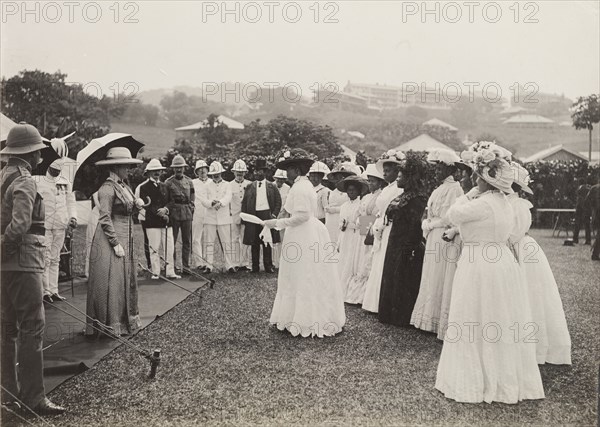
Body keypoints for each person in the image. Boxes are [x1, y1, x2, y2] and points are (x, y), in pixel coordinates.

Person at [435, 142, 544, 404]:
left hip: (479, 263)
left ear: (485, 180)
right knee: (498, 317)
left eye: (476, 175)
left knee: (474, 316)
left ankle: (477, 381)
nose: (472, 179)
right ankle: (500, 377)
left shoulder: (481, 203)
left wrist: (469, 193)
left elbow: (452, 213)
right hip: (500, 262)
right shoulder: (504, 202)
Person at [1, 123, 66, 415]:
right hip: (24, 264)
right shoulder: (25, 180)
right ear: (30, 153)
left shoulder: (3, 176)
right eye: (39, 150)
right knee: (32, 329)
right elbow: (20, 225)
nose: (42, 155)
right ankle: (34, 399)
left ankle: (7, 396)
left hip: (5, 267)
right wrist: (5, 246)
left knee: (7, 331)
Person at [264, 149, 346, 337]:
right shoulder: (301, 186)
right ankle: (293, 315)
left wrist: (277, 223)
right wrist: (275, 220)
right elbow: (288, 209)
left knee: (304, 274)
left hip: (303, 233)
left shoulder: (301, 187)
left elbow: (301, 216)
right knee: (298, 273)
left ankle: (306, 319)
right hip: (303, 231)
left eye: (290, 169)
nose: (287, 173)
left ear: (297, 170)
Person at [509, 163, 571, 364]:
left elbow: (513, 234)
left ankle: (533, 345)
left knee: (529, 293)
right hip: (513, 247)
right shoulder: (505, 203)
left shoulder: (519, 206)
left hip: (520, 249)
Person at [86, 147, 144, 338]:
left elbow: (128, 209)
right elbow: (104, 218)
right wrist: (115, 242)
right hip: (112, 238)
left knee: (127, 279)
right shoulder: (107, 188)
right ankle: (111, 324)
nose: (128, 170)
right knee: (114, 281)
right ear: (116, 167)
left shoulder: (124, 186)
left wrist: (137, 205)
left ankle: (128, 321)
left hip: (127, 236)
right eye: (126, 167)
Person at [410, 149, 464, 334]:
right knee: (431, 273)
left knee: (440, 273)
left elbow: (450, 217)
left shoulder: (455, 189)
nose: (436, 171)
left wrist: (432, 224)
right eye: (435, 167)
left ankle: (437, 320)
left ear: (449, 168)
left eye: (439, 167)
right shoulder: (440, 188)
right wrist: (428, 222)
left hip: (443, 235)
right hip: (433, 234)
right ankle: (426, 318)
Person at [378, 151, 428, 326]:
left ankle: (400, 316)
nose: (397, 179)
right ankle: (388, 313)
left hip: (407, 243)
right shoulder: (402, 195)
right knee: (391, 274)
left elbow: (416, 225)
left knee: (402, 277)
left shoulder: (418, 198)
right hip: (395, 239)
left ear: (410, 178)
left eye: (400, 176)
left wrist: (412, 246)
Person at [362, 150, 404, 313]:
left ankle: (382, 303)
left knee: (384, 261)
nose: (385, 173)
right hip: (380, 224)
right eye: (384, 170)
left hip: (389, 227)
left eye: (389, 170)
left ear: (397, 171)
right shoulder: (387, 188)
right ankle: (373, 302)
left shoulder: (398, 189)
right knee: (377, 260)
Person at [34, 157, 78, 303]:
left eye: (59, 169)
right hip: (44, 225)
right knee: (45, 258)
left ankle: (54, 290)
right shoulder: (38, 181)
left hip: (60, 223)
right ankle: (44, 291)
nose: (57, 171)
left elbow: (70, 201)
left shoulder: (65, 181)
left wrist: (73, 217)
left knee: (55, 258)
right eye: (54, 169)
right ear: (48, 167)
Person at [346, 164, 386, 305]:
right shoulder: (366, 197)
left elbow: (377, 215)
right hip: (361, 232)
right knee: (358, 260)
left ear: (380, 182)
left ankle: (364, 296)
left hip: (370, 231)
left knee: (367, 261)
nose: (370, 184)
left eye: (373, 181)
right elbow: (358, 213)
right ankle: (354, 294)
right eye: (369, 181)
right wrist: (358, 221)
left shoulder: (381, 196)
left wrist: (364, 223)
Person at [139, 159, 180, 280]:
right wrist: (160, 213)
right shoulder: (144, 187)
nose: (157, 173)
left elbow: (172, 201)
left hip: (167, 221)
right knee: (154, 248)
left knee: (169, 247)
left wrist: (166, 210)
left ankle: (170, 271)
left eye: (158, 171)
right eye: (154, 171)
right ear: (149, 173)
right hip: (152, 222)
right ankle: (156, 272)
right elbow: (147, 205)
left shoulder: (165, 186)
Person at [241, 159, 282, 273]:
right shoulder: (250, 186)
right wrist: (245, 218)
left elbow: (278, 202)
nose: (259, 173)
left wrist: (273, 215)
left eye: (261, 171)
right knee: (254, 242)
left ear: (265, 172)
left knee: (267, 241)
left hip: (267, 214)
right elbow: (244, 203)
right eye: (257, 171)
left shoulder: (271, 186)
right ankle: (255, 267)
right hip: (254, 215)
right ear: (254, 172)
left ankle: (268, 266)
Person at [336, 176, 369, 299]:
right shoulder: (344, 206)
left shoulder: (361, 205)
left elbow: (363, 224)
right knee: (342, 259)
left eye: (354, 190)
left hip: (354, 236)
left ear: (359, 191)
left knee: (351, 261)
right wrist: (339, 241)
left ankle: (349, 291)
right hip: (344, 236)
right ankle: (339, 288)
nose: (351, 192)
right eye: (349, 190)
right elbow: (341, 223)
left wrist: (352, 225)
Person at [200, 161, 235, 273]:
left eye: (218, 173)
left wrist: (220, 203)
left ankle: (229, 265)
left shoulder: (227, 184)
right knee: (209, 242)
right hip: (210, 218)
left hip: (224, 218)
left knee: (226, 242)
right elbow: (203, 200)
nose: (216, 175)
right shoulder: (206, 185)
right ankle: (208, 265)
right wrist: (211, 203)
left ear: (221, 173)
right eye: (214, 173)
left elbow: (228, 197)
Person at [164, 154, 194, 274]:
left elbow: (192, 197)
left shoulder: (189, 181)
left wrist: (191, 207)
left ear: (184, 168)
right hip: (174, 213)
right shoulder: (168, 182)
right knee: (173, 241)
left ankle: (186, 266)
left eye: (181, 167)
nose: (179, 169)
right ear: (173, 168)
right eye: (176, 167)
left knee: (187, 241)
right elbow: (166, 199)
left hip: (187, 213)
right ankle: (172, 266)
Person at [324, 163, 358, 246]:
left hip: (343, 219)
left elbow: (352, 206)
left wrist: (335, 209)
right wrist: (328, 208)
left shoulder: (350, 192)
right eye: (338, 177)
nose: (340, 179)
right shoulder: (333, 191)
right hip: (331, 221)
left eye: (343, 177)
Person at [229, 159, 252, 272]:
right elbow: (228, 201)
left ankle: (245, 263)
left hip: (246, 215)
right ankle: (236, 262)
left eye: (241, 172)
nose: (239, 174)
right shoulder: (229, 185)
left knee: (245, 239)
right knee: (234, 239)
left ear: (245, 172)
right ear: (234, 172)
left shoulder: (249, 184)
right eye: (237, 172)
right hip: (234, 215)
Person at [191, 159, 210, 272]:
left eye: (204, 168)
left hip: (209, 213)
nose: (202, 171)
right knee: (196, 238)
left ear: (207, 170)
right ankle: (199, 262)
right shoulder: (192, 182)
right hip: (196, 213)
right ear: (196, 172)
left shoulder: (212, 182)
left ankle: (208, 262)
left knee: (208, 238)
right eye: (199, 169)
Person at [134, 171, 152, 271]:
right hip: (145, 216)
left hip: (157, 217)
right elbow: (137, 203)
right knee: (147, 240)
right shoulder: (140, 187)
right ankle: (149, 263)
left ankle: (156, 263)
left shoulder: (161, 185)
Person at [273, 168, 290, 268]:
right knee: (273, 240)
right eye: (278, 179)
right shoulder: (270, 186)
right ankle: (273, 262)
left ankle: (281, 262)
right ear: (275, 178)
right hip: (273, 216)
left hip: (283, 216)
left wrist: (284, 212)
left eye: (282, 179)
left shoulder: (288, 188)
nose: (280, 181)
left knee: (282, 239)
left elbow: (288, 203)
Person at [572, 177, 591, 244]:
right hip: (587, 209)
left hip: (580, 209)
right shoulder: (589, 188)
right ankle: (588, 240)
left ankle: (575, 239)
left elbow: (579, 199)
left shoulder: (580, 188)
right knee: (587, 225)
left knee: (577, 225)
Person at [587, 181, 600, 260]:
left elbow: (587, 201)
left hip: (596, 214)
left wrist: (593, 209)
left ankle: (595, 253)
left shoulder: (594, 188)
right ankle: (595, 253)